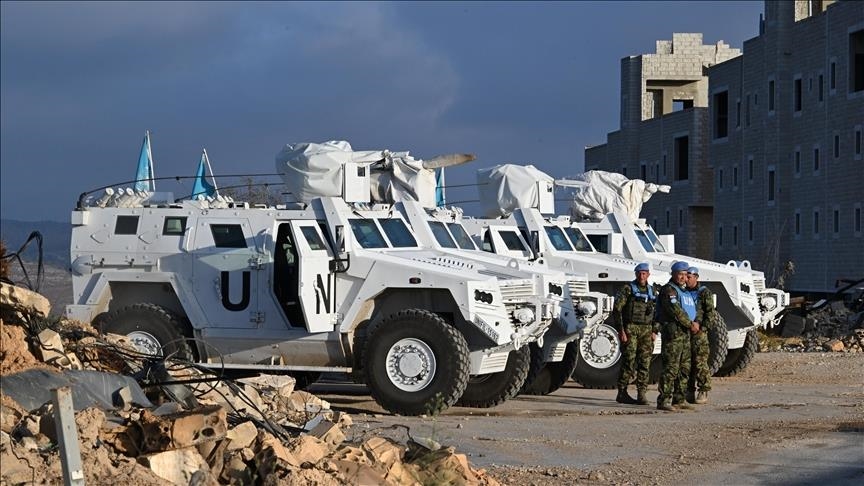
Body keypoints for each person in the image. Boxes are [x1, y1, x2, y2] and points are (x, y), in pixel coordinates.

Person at [613, 262, 658, 405]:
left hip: (647, 330)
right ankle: (622, 392)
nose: (641, 276)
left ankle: (642, 393)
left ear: (648, 274)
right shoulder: (628, 289)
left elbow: (658, 312)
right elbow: (617, 309)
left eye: (644, 273)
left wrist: (655, 330)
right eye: (639, 273)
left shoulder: (652, 291)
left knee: (645, 362)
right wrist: (621, 330)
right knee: (629, 361)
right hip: (630, 328)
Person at [656, 261, 698, 411]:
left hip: (685, 333)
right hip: (673, 334)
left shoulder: (684, 292)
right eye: (680, 274)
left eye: (685, 275)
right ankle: (664, 400)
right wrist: (690, 324)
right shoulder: (669, 290)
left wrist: (695, 323)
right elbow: (676, 311)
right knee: (671, 367)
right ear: (673, 274)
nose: (683, 277)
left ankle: (679, 398)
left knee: (684, 368)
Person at [686, 267, 714, 404]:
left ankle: (703, 389)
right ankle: (689, 391)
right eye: (686, 276)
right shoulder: (683, 292)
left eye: (689, 277)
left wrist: (703, 329)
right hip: (686, 331)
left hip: (699, 332)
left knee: (700, 362)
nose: (686, 279)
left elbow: (710, 313)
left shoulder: (704, 292)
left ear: (696, 277)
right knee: (687, 363)